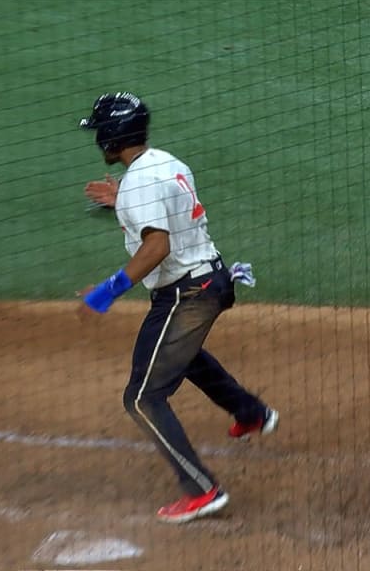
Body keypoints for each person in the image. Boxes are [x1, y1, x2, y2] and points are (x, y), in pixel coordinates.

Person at [76, 91, 278, 524]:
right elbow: (170, 214)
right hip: (214, 279)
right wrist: (122, 202)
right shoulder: (165, 163)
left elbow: (157, 245)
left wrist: (106, 292)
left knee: (143, 397)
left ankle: (201, 490)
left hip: (188, 294)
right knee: (180, 357)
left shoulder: (140, 183)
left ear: (112, 137)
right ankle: (251, 413)